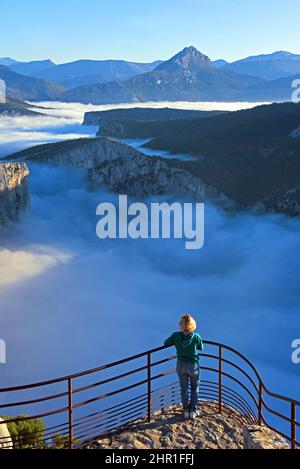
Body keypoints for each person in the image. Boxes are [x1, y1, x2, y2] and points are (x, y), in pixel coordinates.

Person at [164, 314, 204, 419]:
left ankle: (186, 411)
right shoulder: (196, 337)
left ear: (181, 325)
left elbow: (166, 343)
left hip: (181, 365)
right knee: (195, 388)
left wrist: (176, 342)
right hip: (193, 366)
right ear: (192, 325)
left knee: (184, 389)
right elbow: (201, 347)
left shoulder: (176, 336)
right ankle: (193, 411)